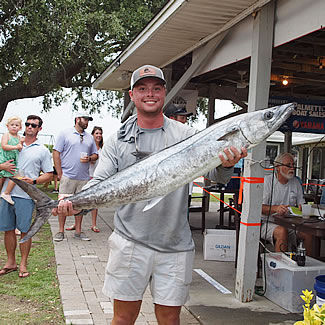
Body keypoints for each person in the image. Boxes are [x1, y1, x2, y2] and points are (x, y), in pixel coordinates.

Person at [52, 64, 247, 324]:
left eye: (156, 88)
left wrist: (226, 164)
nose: (150, 94)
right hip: (129, 242)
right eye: (142, 89)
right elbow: (99, 180)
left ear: (164, 92)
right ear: (132, 95)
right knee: (123, 319)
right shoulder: (119, 139)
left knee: (169, 320)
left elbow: (215, 176)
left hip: (175, 245)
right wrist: (76, 203)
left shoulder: (187, 135)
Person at [0, 115, 53, 278]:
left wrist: (34, 180)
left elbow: (49, 175)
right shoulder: (13, 142)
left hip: (26, 196)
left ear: (39, 129)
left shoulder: (42, 150)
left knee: (24, 231)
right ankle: (10, 263)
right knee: (8, 229)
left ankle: (23, 264)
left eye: (33, 125)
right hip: (5, 194)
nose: (30, 127)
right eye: (28, 124)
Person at [53, 115, 98, 242]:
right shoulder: (65, 133)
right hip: (68, 176)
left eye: (89, 120)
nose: (87, 122)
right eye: (85, 120)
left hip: (83, 177)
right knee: (62, 205)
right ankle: (60, 231)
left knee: (80, 206)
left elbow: (96, 154)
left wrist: (89, 158)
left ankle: (78, 231)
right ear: (78, 119)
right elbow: (56, 152)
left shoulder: (89, 137)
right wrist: (59, 172)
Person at [261, 152, 312, 255]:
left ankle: (309, 266)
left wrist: (303, 208)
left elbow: (301, 204)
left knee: (308, 233)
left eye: (293, 165)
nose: (292, 168)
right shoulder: (267, 182)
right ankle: (282, 267)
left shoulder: (296, 183)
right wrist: (276, 209)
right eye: (288, 165)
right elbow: (259, 208)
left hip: (290, 224)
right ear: (278, 167)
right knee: (281, 231)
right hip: (266, 223)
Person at [0, 116, 25, 205]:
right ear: (7, 126)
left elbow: (20, 149)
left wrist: (21, 143)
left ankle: (6, 193)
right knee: (1, 177)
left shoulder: (19, 137)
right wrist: (16, 146)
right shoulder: (6, 135)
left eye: (16, 125)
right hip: (5, 158)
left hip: (13, 160)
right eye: (12, 125)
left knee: (16, 176)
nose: (14, 127)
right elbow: (4, 146)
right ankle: (4, 193)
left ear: (20, 127)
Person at [89, 126, 103, 233]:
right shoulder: (88, 148)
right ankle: (76, 223)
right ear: (92, 134)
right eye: (96, 133)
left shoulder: (103, 149)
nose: (98, 135)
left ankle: (94, 224)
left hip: (97, 177)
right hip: (87, 176)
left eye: (100, 133)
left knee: (95, 202)